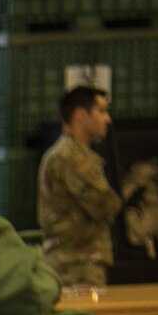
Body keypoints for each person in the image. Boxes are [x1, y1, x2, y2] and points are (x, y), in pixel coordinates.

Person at [38, 86, 121, 287]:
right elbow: (107, 206)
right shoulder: (73, 158)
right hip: (77, 267)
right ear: (81, 115)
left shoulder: (63, 153)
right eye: (101, 111)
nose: (107, 119)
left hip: (70, 263)